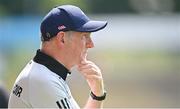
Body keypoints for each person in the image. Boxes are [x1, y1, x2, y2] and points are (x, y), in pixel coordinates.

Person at [8, 5, 107, 108]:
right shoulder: (44, 81)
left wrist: (97, 93)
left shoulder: (45, 74)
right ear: (62, 38)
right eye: (84, 36)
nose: (91, 44)